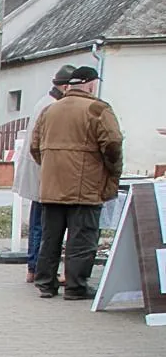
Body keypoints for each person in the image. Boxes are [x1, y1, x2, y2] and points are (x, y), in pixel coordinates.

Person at [30, 65, 124, 301]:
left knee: (51, 237)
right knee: (82, 238)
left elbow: (35, 147)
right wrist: (111, 173)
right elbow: (112, 145)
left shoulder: (49, 110)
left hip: (51, 186)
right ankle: (75, 286)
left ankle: (45, 283)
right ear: (91, 84)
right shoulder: (98, 109)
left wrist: (51, 166)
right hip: (86, 187)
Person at [13, 65, 75, 283]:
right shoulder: (52, 107)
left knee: (38, 222)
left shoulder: (45, 102)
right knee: (42, 224)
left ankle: (34, 267)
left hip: (38, 173)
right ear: (66, 86)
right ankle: (38, 268)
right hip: (43, 174)